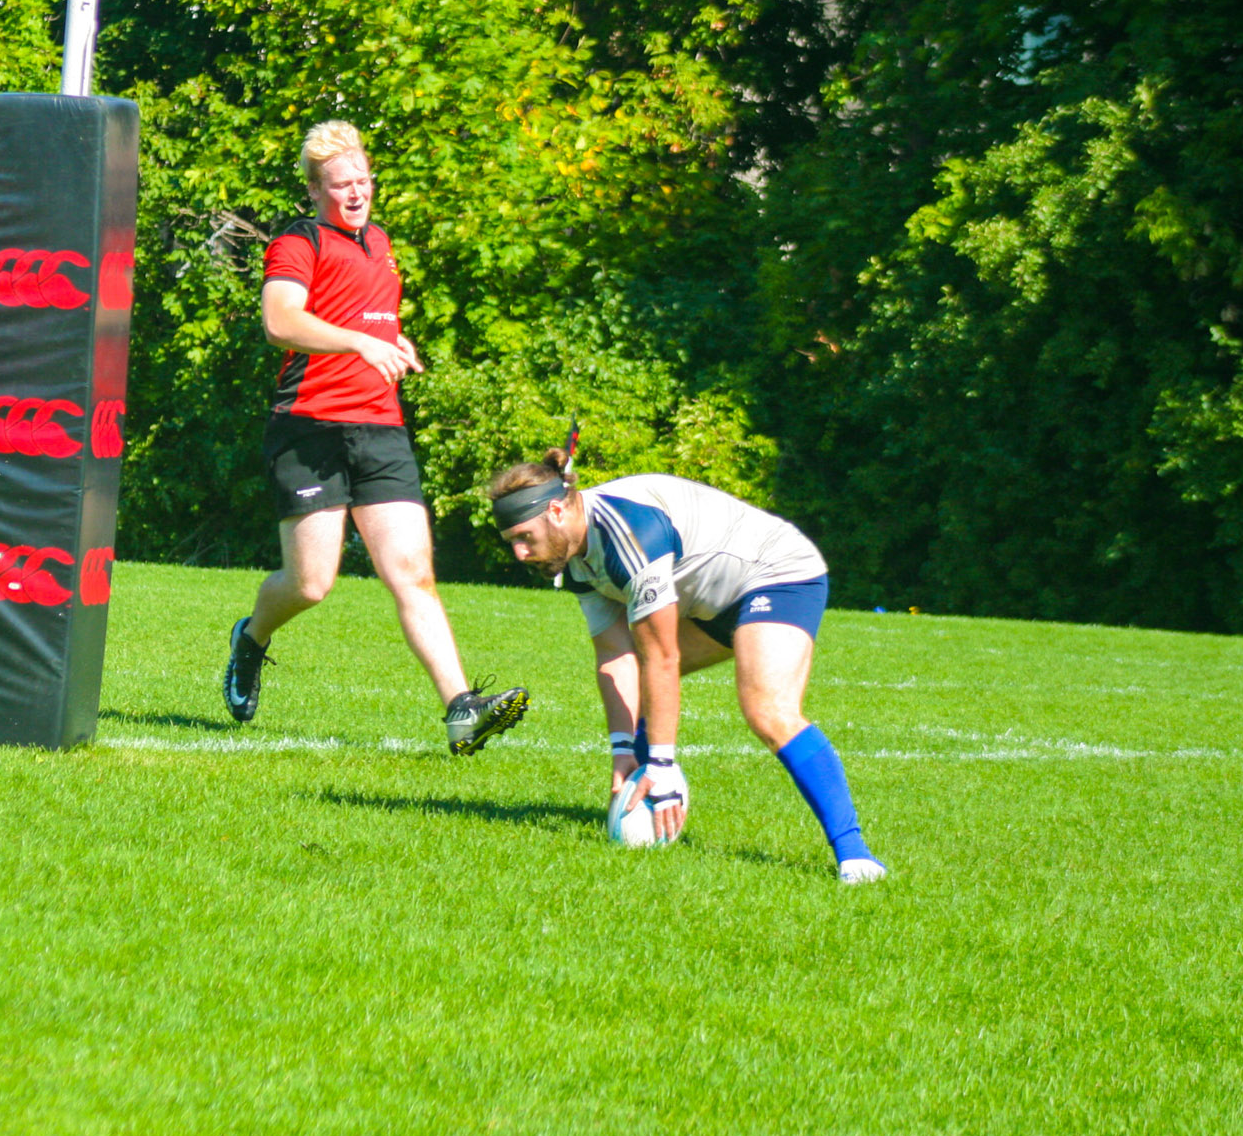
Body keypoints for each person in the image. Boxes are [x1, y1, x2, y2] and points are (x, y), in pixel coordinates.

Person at [221, 120, 528, 754]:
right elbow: (281, 321)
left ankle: (461, 708)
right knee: (311, 583)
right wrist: (362, 341)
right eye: (342, 185)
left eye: (363, 181)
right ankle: (251, 638)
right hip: (308, 429)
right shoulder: (297, 242)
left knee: (413, 573)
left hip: (380, 426)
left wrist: (388, 340)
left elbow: (364, 314)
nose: (356, 193)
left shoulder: (380, 241)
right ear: (314, 190)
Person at [488, 449, 887, 883]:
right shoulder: (576, 558)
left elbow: (662, 656)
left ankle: (855, 856)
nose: (520, 553)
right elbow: (615, 656)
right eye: (512, 541)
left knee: (767, 710)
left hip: (777, 573)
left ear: (556, 511)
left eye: (524, 537)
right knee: (639, 681)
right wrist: (622, 754)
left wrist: (662, 764)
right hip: (710, 600)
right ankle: (645, 797)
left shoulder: (629, 536)